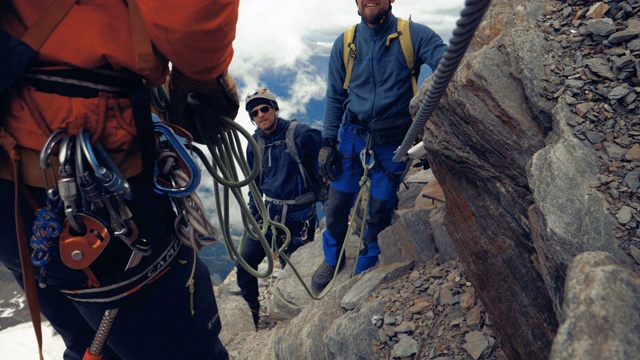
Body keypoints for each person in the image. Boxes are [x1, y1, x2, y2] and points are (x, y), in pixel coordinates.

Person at [0, 1, 239, 359]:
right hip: (100, 180)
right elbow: (190, 12)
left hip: (14, 199)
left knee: (87, 342)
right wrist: (203, 72)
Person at [311, 0, 447, 292]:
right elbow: (335, 96)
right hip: (352, 136)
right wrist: (327, 142)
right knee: (336, 206)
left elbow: (448, 63)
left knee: (379, 210)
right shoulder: (346, 42)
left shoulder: (414, 36)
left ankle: (365, 265)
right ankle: (332, 258)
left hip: (392, 142)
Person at [236, 88, 322, 329]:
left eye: (265, 108)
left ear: (274, 108)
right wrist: (254, 214)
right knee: (245, 262)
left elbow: (326, 153)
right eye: (255, 112)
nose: (261, 115)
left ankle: (296, 319)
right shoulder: (255, 145)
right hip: (268, 215)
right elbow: (254, 183)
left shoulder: (301, 134)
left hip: (298, 218)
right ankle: (251, 314)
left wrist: (332, 191)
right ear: (252, 119)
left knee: (291, 270)